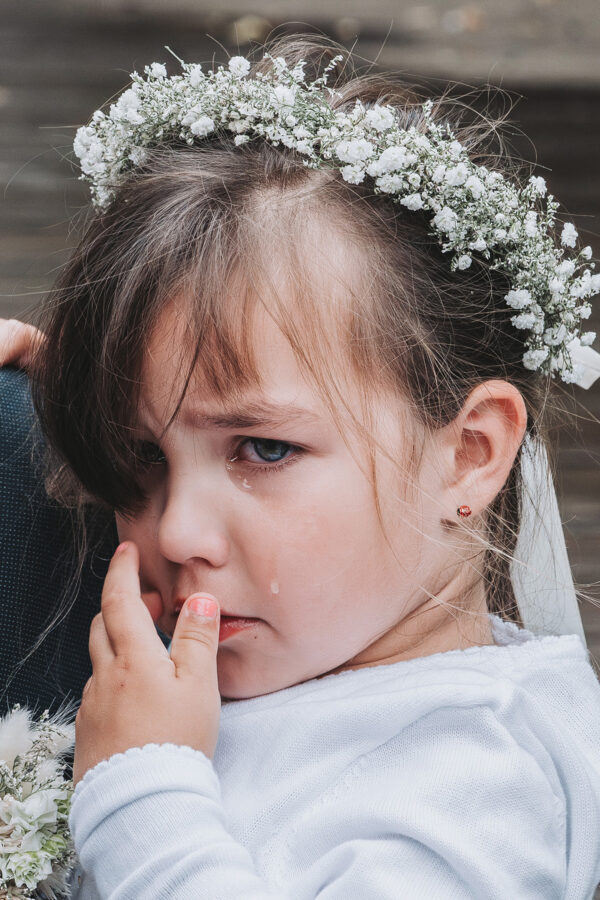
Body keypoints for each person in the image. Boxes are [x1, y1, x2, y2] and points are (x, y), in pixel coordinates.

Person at [8, 33, 600, 898]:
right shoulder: (336, 654)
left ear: (470, 455)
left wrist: (141, 791)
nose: (177, 531)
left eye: (265, 449)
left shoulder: (480, 780)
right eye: (141, 454)